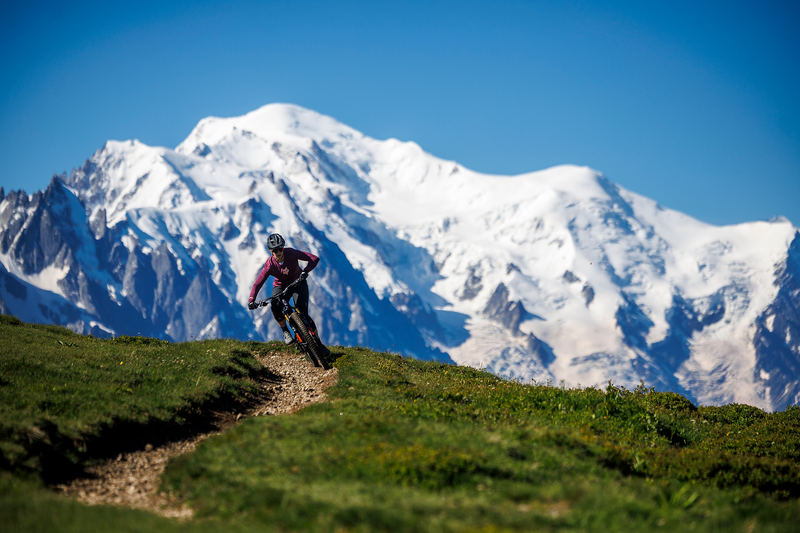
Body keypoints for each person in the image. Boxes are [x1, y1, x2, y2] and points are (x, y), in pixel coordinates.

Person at [248, 233, 328, 354]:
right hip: (280, 286)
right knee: (275, 307)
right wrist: (251, 300)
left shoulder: (292, 253)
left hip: (298, 282)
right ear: (270, 251)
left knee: (303, 312)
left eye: (280, 248)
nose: (278, 252)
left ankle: (319, 344)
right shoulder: (269, 266)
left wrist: (305, 272)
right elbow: (257, 284)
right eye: (275, 250)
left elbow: (314, 258)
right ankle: (285, 331)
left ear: (283, 247)